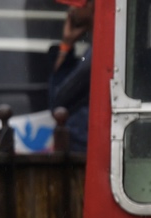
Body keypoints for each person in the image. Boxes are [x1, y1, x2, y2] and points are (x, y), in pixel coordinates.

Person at [48, 0, 93, 152]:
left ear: (92, 5)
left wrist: (66, 44)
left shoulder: (94, 54)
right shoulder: (90, 51)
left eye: (77, 4)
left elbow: (58, 100)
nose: (70, 9)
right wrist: (67, 43)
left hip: (81, 145)